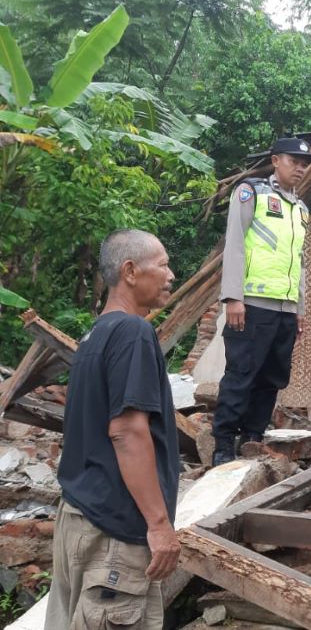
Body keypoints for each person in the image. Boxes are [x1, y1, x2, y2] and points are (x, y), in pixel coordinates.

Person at [47, 229, 180, 629]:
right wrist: (159, 525)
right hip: (113, 532)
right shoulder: (133, 332)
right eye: (163, 264)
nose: (172, 274)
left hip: (78, 518)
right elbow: (127, 432)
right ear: (130, 271)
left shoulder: (94, 337)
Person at [211, 137, 311, 466]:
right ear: (275, 160)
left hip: (285, 309)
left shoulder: (300, 209)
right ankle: (223, 445)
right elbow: (236, 245)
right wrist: (232, 297)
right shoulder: (252, 193)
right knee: (241, 373)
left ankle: (253, 437)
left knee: (273, 376)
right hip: (252, 304)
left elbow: (297, 261)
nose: (300, 167)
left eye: (305, 163)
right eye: (293, 160)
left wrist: (299, 308)